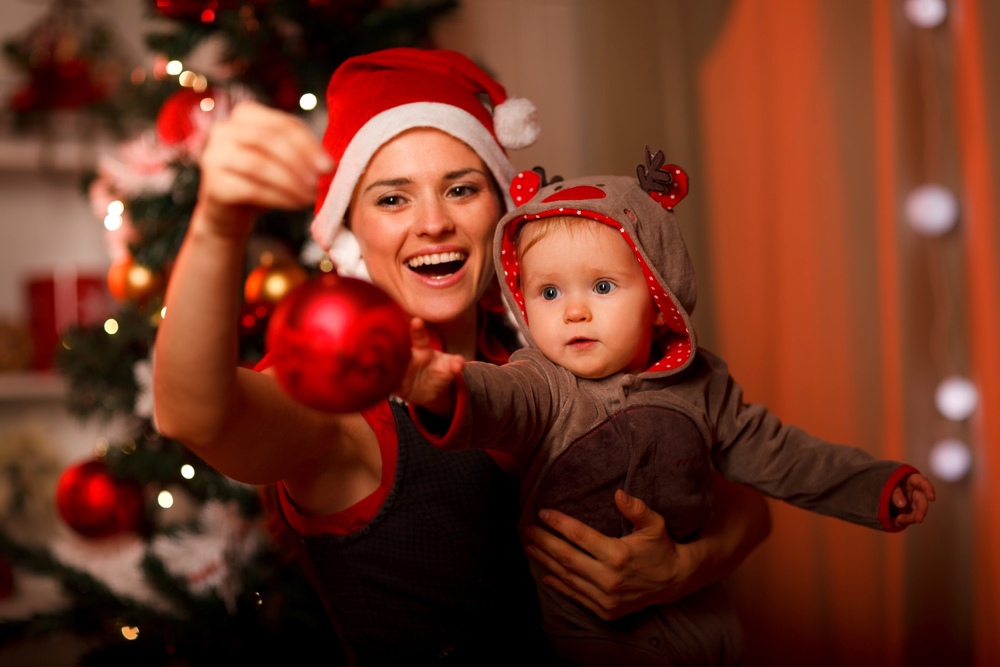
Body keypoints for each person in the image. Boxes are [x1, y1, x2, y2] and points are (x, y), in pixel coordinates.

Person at [153, 48, 771, 664]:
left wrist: (682, 567)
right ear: (350, 229)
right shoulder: (346, 412)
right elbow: (194, 415)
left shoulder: (561, 350)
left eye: (461, 189)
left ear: (502, 211)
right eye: (393, 199)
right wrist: (217, 225)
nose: (433, 224)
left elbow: (746, 504)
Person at [400, 160, 936, 666]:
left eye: (603, 286)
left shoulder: (703, 386)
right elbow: (494, 398)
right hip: (595, 643)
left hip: (706, 625)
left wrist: (876, 485)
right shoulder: (542, 384)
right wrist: (440, 386)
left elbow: (783, 455)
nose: (574, 310)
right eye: (548, 291)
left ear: (659, 300)